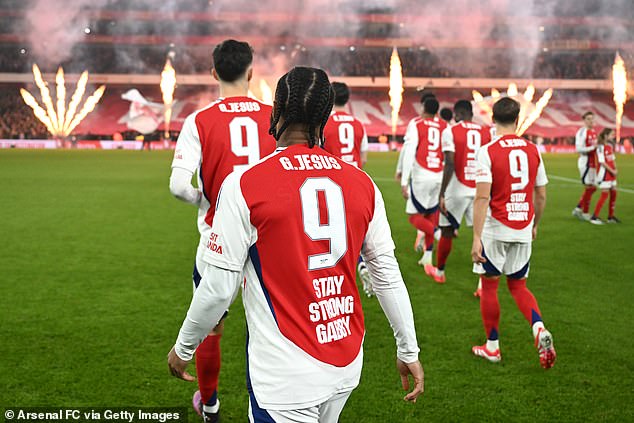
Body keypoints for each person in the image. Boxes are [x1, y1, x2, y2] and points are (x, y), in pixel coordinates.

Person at [167, 66, 424, 422]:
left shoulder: (244, 185)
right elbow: (386, 275)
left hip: (285, 373)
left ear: (275, 112)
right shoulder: (362, 183)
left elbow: (217, 289)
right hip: (345, 363)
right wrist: (408, 348)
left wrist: (183, 347)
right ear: (326, 118)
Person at [168, 39, 276, 422]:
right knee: (267, 326)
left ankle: (210, 405)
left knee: (212, 324)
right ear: (251, 72)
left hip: (220, 237)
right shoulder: (274, 115)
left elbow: (179, 186)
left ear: (214, 73)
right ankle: (262, 407)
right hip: (269, 237)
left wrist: (206, 200)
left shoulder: (200, 120)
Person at [470, 97, 555, 369]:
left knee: (490, 285)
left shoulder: (487, 151)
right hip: (523, 227)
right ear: (517, 120)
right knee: (519, 286)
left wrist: (475, 239)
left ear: (492, 120)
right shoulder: (533, 150)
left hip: (496, 229)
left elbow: (482, 198)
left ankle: (493, 346)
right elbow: (540, 194)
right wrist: (535, 223)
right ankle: (539, 328)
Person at [422, 100, 492, 286]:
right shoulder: (486, 132)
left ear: (458, 113)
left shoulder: (450, 130)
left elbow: (450, 163)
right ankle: (481, 284)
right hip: (480, 189)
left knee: (447, 231)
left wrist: (442, 192)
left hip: (457, 189)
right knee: (482, 234)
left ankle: (440, 271)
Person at [322, 82, 373, 296]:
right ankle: (362, 264)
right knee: (354, 230)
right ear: (348, 99)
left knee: (330, 233)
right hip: (356, 182)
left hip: (332, 182)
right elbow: (365, 157)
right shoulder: (358, 124)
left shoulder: (325, 122)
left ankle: (336, 276)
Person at [400, 97, 447, 272]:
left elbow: (410, 151)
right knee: (430, 214)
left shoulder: (416, 123)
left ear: (423, 108)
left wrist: (405, 180)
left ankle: (438, 233)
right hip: (439, 175)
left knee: (414, 216)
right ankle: (427, 257)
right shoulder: (444, 126)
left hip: (422, 174)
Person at [590, 128, 620, 224]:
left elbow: (612, 159)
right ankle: (594, 217)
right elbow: (602, 162)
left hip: (611, 174)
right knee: (604, 195)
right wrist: (612, 171)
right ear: (606, 136)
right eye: (612, 135)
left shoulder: (610, 146)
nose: (613, 136)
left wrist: (615, 169)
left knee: (614, 193)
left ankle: (611, 217)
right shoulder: (600, 147)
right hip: (604, 174)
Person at [572, 111, 598, 221]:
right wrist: (592, 148)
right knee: (589, 187)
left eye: (592, 118)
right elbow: (578, 148)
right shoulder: (582, 132)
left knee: (593, 187)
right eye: (588, 119)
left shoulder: (593, 131)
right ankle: (585, 212)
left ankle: (578, 208)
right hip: (585, 162)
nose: (591, 121)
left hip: (593, 162)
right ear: (584, 120)